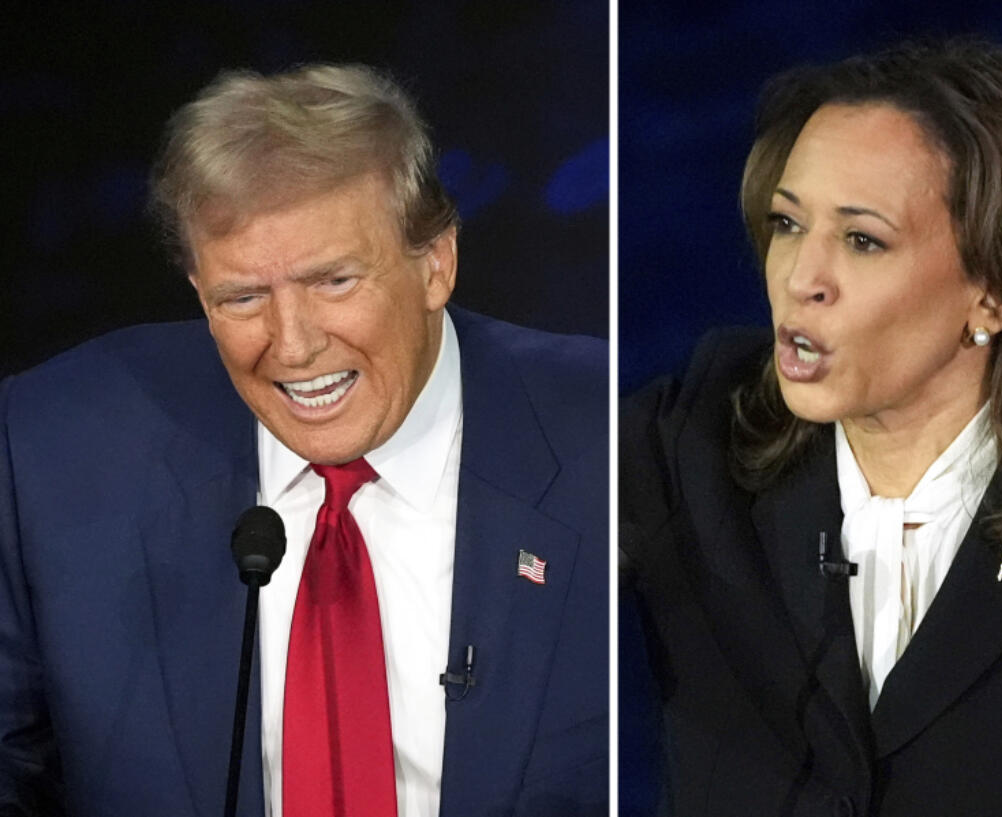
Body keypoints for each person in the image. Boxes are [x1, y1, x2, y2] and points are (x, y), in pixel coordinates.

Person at [621, 38, 1002, 816]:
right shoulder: (690, 451)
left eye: (862, 239)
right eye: (786, 224)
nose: (802, 279)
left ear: (995, 293)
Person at [0, 64, 607, 817]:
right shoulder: (52, 449)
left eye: (333, 282)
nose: (291, 346)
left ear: (435, 263)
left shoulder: (612, 442)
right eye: (243, 297)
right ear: (198, 291)